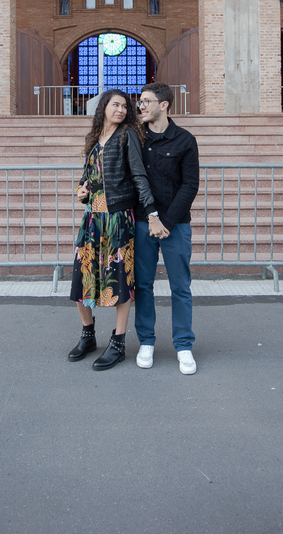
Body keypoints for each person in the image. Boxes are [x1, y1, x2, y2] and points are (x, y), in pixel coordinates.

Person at [68, 88, 157, 371]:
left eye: (124, 106)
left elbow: (138, 175)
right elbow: (86, 175)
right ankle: (88, 334)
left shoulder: (126, 136)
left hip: (118, 217)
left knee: (120, 280)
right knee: (81, 277)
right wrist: (81, 190)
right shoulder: (94, 138)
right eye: (115, 105)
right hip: (92, 218)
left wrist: (152, 212)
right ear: (103, 106)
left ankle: (118, 342)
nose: (120, 109)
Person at [133, 82, 200, 375]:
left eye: (147, 101)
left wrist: (167, 222)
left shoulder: (185, 140)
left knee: (180, 287)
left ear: (164, 105)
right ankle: (146, 341)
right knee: (143, 285)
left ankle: (183, 345)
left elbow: (190, 185)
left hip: (176, 225)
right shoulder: (135, 138)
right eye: (140, 101)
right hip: (142, 222)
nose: (141, 106)